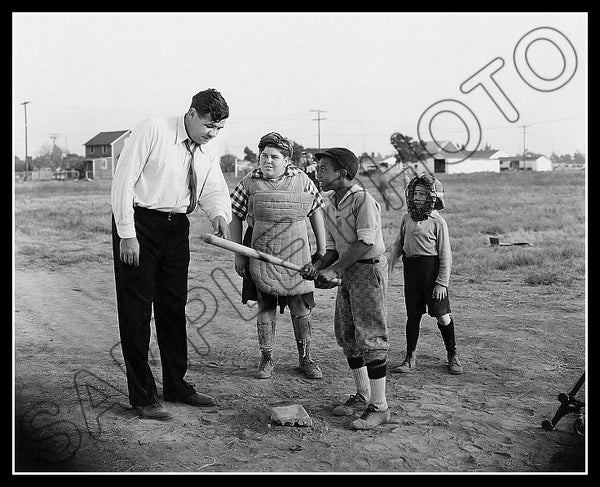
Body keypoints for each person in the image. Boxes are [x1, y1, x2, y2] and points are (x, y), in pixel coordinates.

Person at [111, 88, 232, 420]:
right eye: (210, 126)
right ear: (191, 114)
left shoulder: (208, 146)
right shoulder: (153, 129)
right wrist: (126, 234)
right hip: (140, 223)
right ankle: (143, 397)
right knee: (137, 310)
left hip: (177, 227)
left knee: (173, 307)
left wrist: (219, 214)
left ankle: (176, 385)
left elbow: (213, 186)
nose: (213, 133)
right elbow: (123, 182)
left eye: (219, 129)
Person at [300, 147, 391, 430]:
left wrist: (334, 269)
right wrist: (318, 266)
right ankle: (364, 395)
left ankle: (380, 407)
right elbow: (330, 249)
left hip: (368, 270)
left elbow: (364, 243)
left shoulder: (363, 200)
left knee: (371, 334)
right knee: (347, 333)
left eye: (324, 168)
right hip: (350, 272)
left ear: (343, 173)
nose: (318, 172)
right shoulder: (329, 205)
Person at [229, 132, 327, 380]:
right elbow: (235, 215)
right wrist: (239, 253)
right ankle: (267, 358)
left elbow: (316, 211)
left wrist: (322, 249)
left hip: (297, 252)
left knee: (299, 303)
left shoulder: (302, 180)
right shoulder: (250, 181)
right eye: (264, 156)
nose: (267, 161)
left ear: (286, 160)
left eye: (274, 157)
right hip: (260, 251)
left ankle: (306, 358)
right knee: (265, 302)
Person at [388, 172, 464, 375]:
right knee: (413, 316)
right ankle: (410, 357)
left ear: (433, 197)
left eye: (422, 194)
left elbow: (445, 255)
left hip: (432, 273)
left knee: (442, 316)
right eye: (414, 193)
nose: (416, 198)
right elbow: (398, 244)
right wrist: (388, 266)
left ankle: (452, 354)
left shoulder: (438, 222)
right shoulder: (407, 219)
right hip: (412, 272)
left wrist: (441, 283)